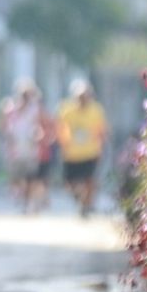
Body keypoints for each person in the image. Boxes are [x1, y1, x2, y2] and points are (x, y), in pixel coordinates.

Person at [57, 79, 108, 217]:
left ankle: (87, 205)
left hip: (90, 152)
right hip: (71, 154)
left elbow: (101, 130)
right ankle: (80, 199)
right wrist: (63, 144)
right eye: (80, 96)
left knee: (90, 181)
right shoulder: (67, 110)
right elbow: (61, 129)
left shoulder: (96, 110)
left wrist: (102, 146)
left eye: (86, 96)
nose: (83, 99)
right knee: (70, 184)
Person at [1, 79, 44, 214]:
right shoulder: (10, 108)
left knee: (30, 177)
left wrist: (38, 136)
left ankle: (28, 202)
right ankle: (19, 193)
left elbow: (41, 125)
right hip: (15, 149)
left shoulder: (35, 109)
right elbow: (4, 126)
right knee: (16, 177)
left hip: (30, 149)